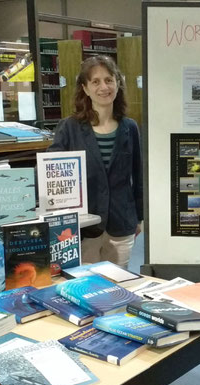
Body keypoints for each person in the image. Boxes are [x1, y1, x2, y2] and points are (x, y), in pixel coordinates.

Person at [48, 55, 143, 268]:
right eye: (96, 81)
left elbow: (139, 176)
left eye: (109, 80)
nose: (104, 87)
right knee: (86, 288)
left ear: (118, 83)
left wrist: (139, 217)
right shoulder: (69, 128)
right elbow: (50, 173)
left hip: (122, 223)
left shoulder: (130, 127)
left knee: (120, 289)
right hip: (83, 227)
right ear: (85, 87)